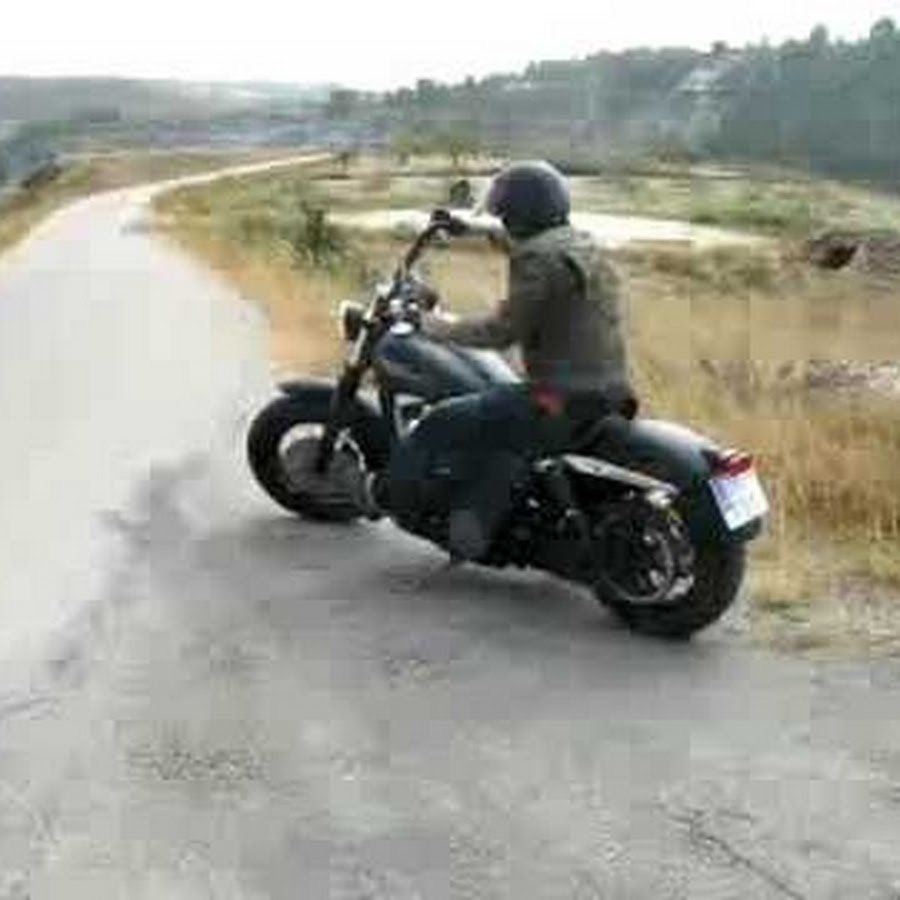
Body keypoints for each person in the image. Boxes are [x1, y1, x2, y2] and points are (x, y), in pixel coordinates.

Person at [388, 160, 637, 561]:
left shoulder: (535, 260)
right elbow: (524, 244)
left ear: (520, 216)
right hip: (610, 391)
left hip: (559, 398)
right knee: (498, 420)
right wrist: (470, 228)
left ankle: (460, 526)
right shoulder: (578, 242)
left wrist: (428, 324)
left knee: (439, 421)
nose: (502, 220)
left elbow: (500, 333)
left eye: (505, 214)